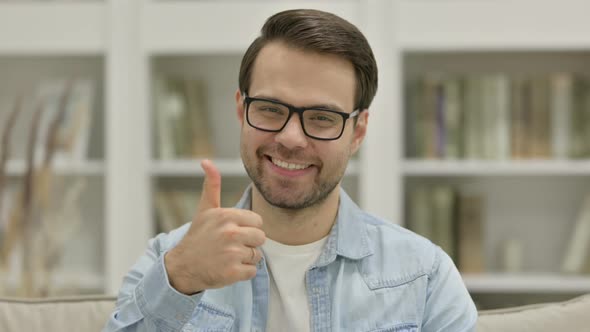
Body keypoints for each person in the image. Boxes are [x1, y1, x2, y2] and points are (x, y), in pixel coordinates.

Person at [104, 8, 477, 332]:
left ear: (357, 131)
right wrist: (182, 278)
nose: (292, 138)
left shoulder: (424, 276)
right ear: (240, 109)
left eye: (321, 117)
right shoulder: (169, 260)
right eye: (270, 109)